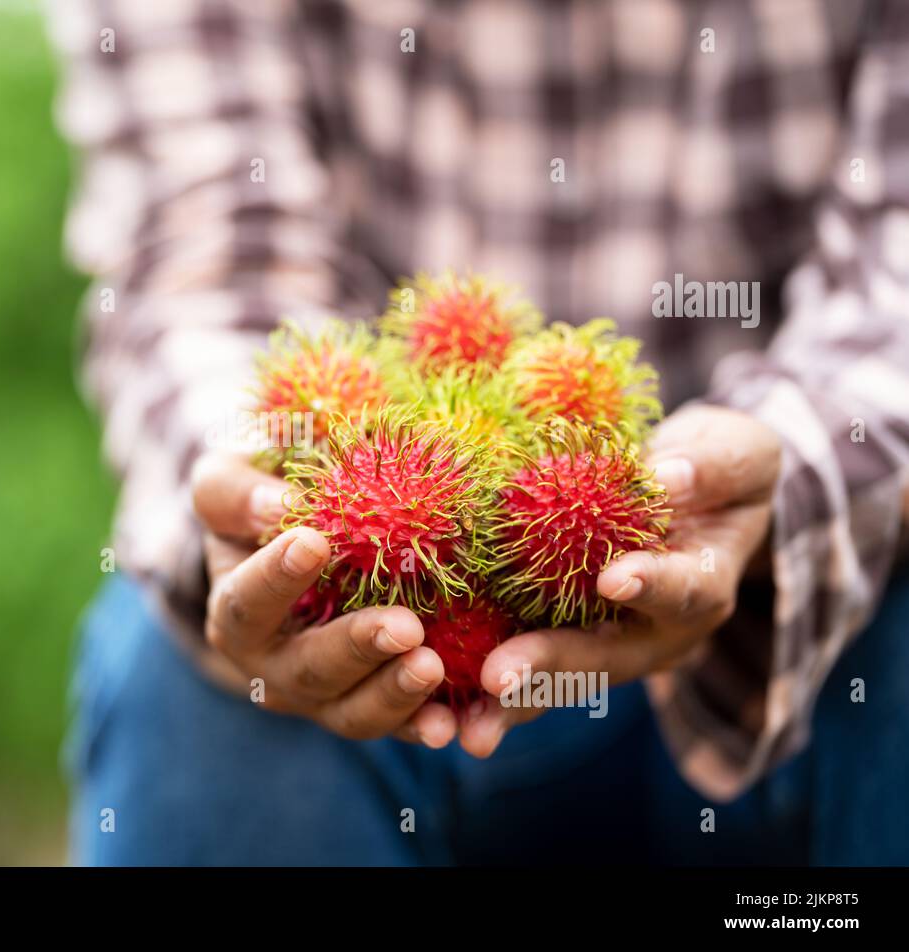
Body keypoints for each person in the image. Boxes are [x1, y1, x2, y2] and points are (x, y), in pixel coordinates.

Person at [48, 0, 909, 865]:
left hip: (788, 613)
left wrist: (779, 477)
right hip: (386, 681)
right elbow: (207, 261)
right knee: (182, 673)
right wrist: (249, 490)